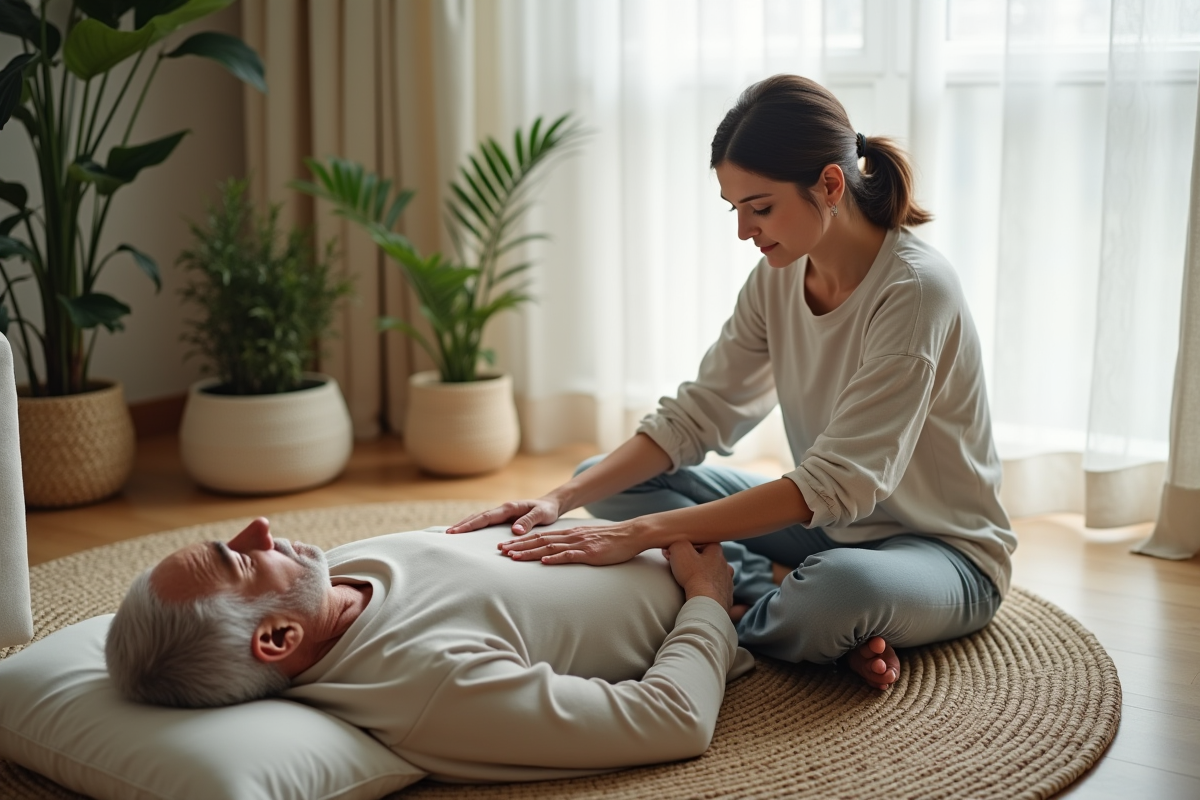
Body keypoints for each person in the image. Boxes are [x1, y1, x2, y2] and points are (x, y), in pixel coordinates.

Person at [448, 74, 1017, 691]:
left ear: (830, 183)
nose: (745, 231)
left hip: (944, 553)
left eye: (761, 207)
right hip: (827, 526)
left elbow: (840, 482)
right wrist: (560, 499)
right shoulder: (778, 276)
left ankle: (761, 612)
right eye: (736, 209)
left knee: (838, 591)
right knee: (601, 482)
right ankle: (764, 610)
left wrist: (641, 536)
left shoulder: (915, 291)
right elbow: (699, 414)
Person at [105, 516, 754, 783]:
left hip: (659, 526)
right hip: (748, 604)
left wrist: (544, 510)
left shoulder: (333, 575)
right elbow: (673, 719)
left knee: (608, 468)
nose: (260, 529)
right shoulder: (428, 686)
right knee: (845, 589)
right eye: (241, 559)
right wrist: (703, 597)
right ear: (277, 638)